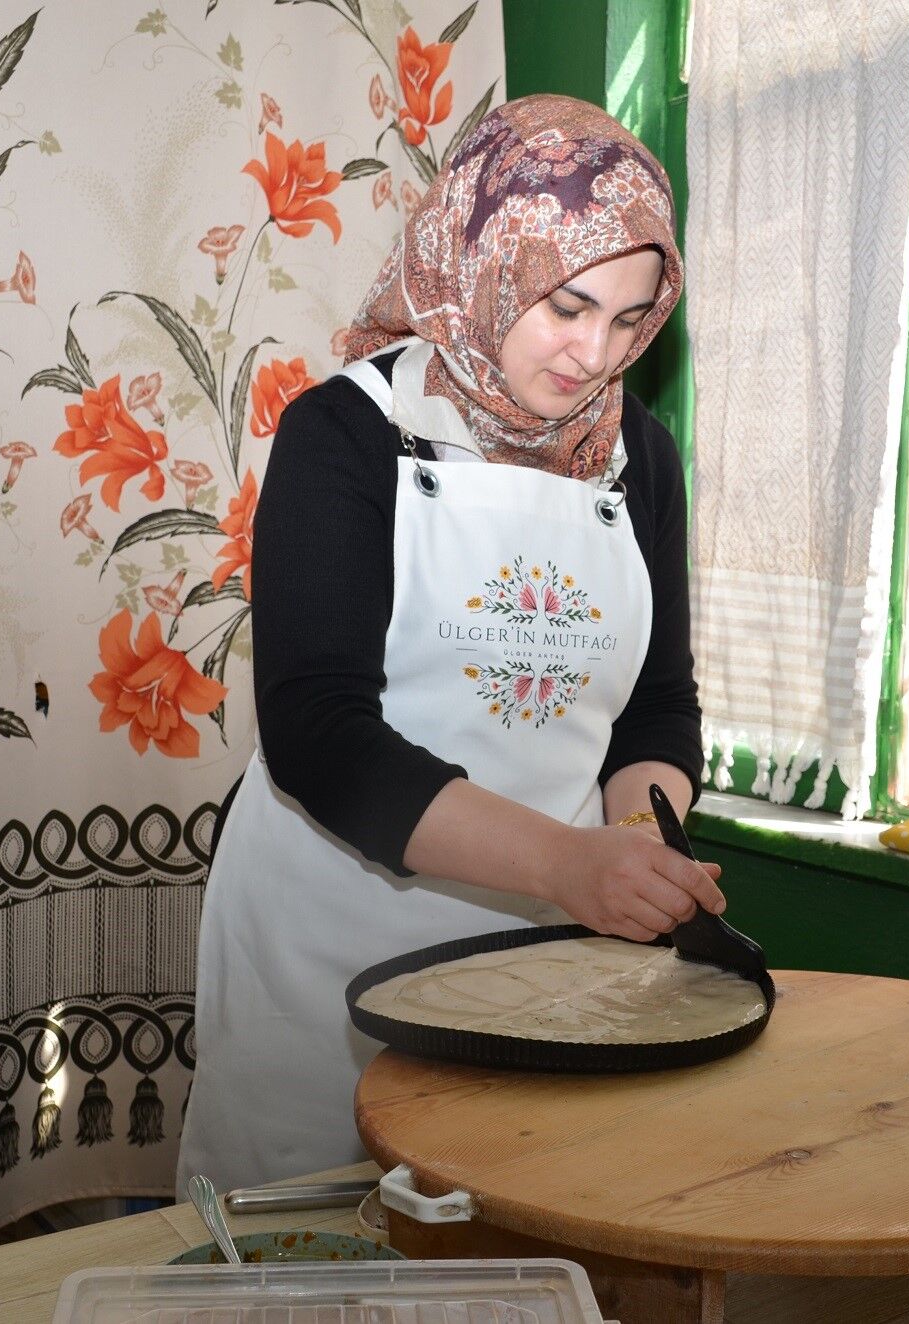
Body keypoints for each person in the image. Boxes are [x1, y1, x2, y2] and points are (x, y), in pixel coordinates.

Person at [176, 95, 722, 1195]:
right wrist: (569, 864)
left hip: (544, 950)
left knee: (509, 1226)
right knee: (311, 1237)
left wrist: (636, 849)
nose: (593, 353)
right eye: (566, 304)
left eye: (628, 321)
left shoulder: (642, 460)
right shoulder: (344, 432)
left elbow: (656, 709)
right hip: (330, 938)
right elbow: (320, 734)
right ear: (485, 260)